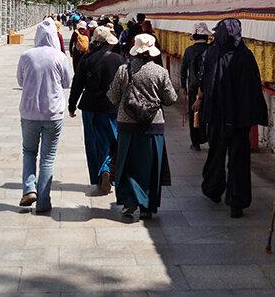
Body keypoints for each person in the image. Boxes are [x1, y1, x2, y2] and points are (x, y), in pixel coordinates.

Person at [193, 18, 268, 218]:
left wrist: (202, 100)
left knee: (216, 152)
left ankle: (213, 189)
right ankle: (237, 201)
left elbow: (203, 80)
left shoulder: (211, 53)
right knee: (239, 158)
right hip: (239, 118)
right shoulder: (246, 56)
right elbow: (253, 88)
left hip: (218, 115)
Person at [108, 33, 177, 219]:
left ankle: (129, 202)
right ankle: (147, 205)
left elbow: (113, 97)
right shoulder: (160, 72)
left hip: (127, 125)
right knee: (151, 165)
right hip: (153, 125)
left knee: (127, 164)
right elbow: (171, 99)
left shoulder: (124, 70)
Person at [17, 19, 74, 213]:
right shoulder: (59, 57)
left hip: (29, 112)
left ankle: (29, 189)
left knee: (29, 151)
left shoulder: (26, 56)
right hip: (53, 114)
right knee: (48, 158)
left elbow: (20, 80)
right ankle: (43, 201)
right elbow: (67, 82)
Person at [69, 26, 125, 195]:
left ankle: (100, 176)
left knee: (93, 142)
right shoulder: (119, 59)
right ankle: (108, 169)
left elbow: (77, 84)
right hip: (112, 107)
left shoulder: (87, 59)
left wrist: (72, 105)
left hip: (90, 107)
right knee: (113, 140)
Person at [180, 22, 212, 151]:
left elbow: (183, 70)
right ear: (206, 37)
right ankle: (210, 140)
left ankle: (196, 143)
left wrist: (183, 86)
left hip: (193, 87)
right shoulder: (210, 50)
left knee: (194, 113)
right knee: (209, 113)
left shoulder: (189, 51)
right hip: (209, 88)